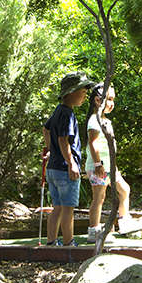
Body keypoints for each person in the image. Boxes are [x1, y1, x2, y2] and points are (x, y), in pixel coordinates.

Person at [42, 72, 95, 246]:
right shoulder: (68, 114)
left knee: (57, 207)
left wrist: (51, 151)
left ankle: (51, 242)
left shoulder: (58, 111)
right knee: (68, 209)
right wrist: (71, 163)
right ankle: (68, 243)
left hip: (53, 168)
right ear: (71, 92)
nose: (85, 95)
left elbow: (46, 129)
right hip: (65, 169)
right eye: (83, 92)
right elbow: (63, 140)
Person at [84, 82, 138, 241]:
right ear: (97, 101)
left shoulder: (106, 120)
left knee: (124, 190)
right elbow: (93, 143)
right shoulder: (95, 120)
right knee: (99, 197)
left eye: (113, 99)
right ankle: (94, 230)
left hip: (110, 167)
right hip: (99, 167)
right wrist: (97, 164)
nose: (112, 103)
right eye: (108, 99)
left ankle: (124, 221)